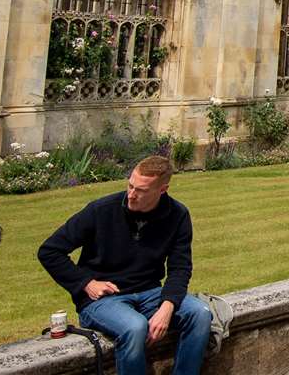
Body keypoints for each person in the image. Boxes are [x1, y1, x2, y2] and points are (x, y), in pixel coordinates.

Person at [37, 156, 210, 375]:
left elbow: (180, 268)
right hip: (103, 301)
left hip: (150, 293)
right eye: (130, 185)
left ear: (162, 190)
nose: (131, 194)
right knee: (134, 327)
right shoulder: (101, 210)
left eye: (141, 190)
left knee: (201, 313)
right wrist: (86, 283)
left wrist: (167, 307)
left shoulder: (178, 215)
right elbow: (50, 251)